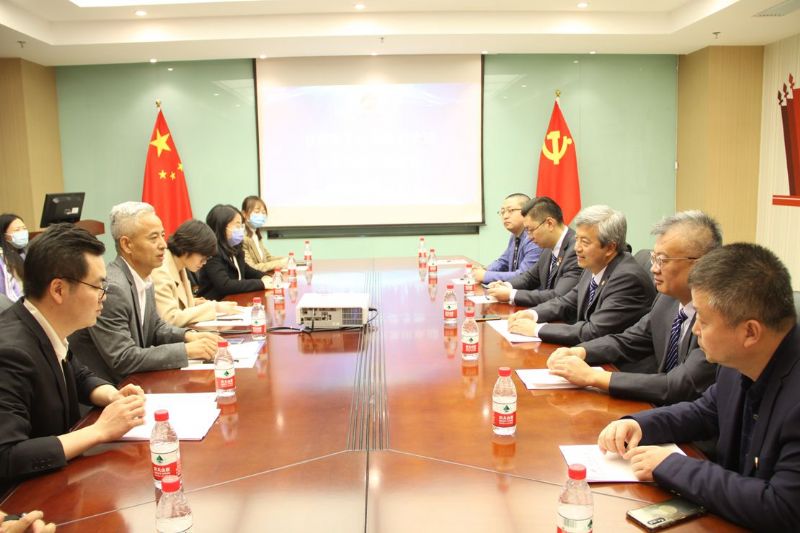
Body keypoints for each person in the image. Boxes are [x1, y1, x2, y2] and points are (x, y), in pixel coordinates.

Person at [597, 243, 800, 531]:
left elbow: (782, 507)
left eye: (703, 320)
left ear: (750, 332)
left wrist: (671, 465)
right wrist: (640, 424)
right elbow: (705, 411)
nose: (695, 329)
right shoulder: (739, 361)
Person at [0, 224, 145, 495]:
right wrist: (99, 431)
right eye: (98, 286)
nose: (104, 296)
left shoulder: (41, 324)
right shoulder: (11, 352)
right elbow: (7, 455)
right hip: (23, 499)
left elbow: (77, 374)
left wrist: (113, 396)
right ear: (58, 290)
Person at [547, 211, 722, 405]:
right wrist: (581, 352)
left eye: (663, 260)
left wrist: (593, 377)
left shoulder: (718, 316)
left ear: (700, 264)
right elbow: (628, 341)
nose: (654, 269)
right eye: (654, 258)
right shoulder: (667, 300)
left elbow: (678, 385)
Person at [68, 202, 219, 384]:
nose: (163, 245)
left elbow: (156, 327)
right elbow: (123, 358)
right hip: (109, 390)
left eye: (162, 235)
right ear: (127, 244)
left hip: (136, 383)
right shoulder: (113, 287)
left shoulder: (144, 278)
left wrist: (188, 336)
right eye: (153, 238)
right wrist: (186, 350)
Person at [508, 205, 656, 345]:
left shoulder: (627, 279)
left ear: (610, 248)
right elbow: (568, 302)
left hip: (613, 359)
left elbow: (594, 331)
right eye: (576, 239)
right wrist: (533, 314)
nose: (577, 248)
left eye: (585, 242)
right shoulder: (594, 264)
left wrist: (536, 330)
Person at [486, 196, 581, 307]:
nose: (529, 237)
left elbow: (559, 296)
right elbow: (530, 277)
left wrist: (511, 294)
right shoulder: (548, 246)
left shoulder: (576, 250)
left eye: (531, 230)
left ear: (550, 224)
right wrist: (506, 285)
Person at [152, 219, 237, 327]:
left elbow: (179, 301)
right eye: (203, 257)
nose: (204, 262)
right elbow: (170, 318)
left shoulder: (180, 266)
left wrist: (197, 303)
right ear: (187, 247)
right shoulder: (161, 270)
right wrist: (214, 308)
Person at [197, 204, 272, 300]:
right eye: (237, 225)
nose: (241, 229)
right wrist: (261, 283)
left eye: (241, 225)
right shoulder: (212, 252)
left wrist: (265, 277)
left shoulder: (234, 248)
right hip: (216, 303)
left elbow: (248, 271)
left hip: (234, 300)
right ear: (221, 227)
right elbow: (225, 285)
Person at [471, 193, 542, 284]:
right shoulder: (515, 235)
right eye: (502, 212)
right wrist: (485, 269)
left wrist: (485, 275)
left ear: (526, 212)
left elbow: (523, 275)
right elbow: (503, 261)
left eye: (510, 210)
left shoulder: (534, 238)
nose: (505, 216)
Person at [240, 195, 287, 273]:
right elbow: (252, 268)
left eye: (263, 212)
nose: (261, 215)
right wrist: (280, 263)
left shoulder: (256, 235)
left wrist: (286, 259)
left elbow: (267, 258)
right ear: (244, 214)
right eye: (257, 212)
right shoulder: (242, 238)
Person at [0, 214, 27, 302]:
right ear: (4, 235)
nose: (22, 232)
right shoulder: (2, 260)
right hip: (14, 306)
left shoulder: (23, 254)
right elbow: (8, 295)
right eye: (17, 230)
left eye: (24, 228)